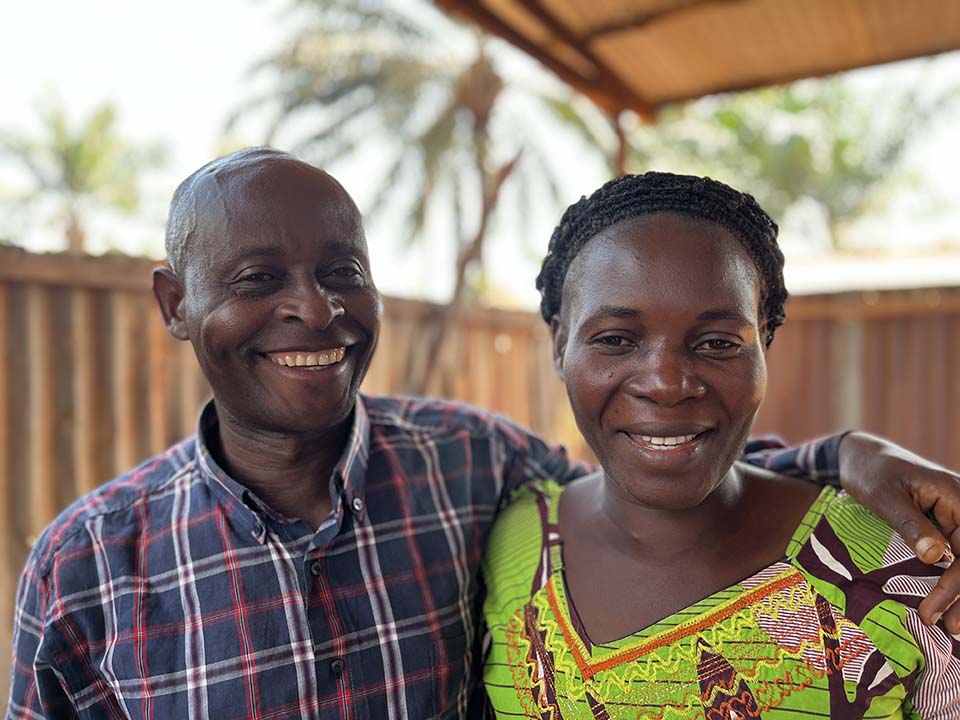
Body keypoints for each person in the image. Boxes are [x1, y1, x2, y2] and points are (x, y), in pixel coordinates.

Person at [6, 150, 960, 720]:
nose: (314, 309)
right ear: (174, 304)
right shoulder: (85, 568)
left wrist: (851, 460)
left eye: (343, 271)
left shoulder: (472, 465)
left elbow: (662, 479)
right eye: (257, 280)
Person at [481, 172, 960, 718]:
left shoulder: (909, 578)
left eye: (717, 343)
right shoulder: (505, 543)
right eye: (615, 339)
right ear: (561, 344)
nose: (665, 383)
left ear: (764, 345)